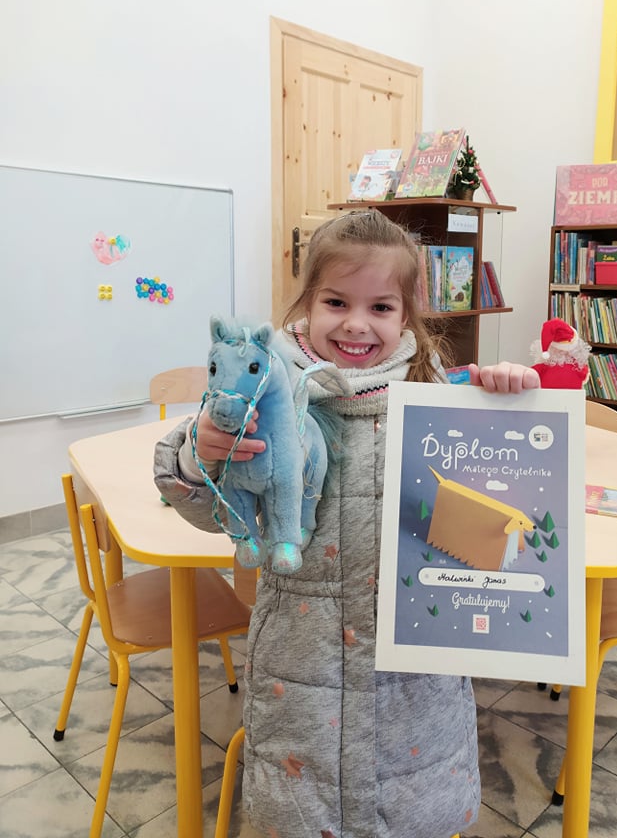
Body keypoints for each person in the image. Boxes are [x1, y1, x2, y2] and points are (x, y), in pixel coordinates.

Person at [154, 209, 540, 838]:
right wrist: (200, 455)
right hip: (301, 671)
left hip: (415, 683)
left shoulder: (442, 401)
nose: (357, 324)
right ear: (307, 302)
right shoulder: (266, 396)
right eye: (336, 301)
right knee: (304, 815)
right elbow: (210, 513)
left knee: (413, 813)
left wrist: (513, 397)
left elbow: (510, 497)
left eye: (381, 307)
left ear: (406, 315)